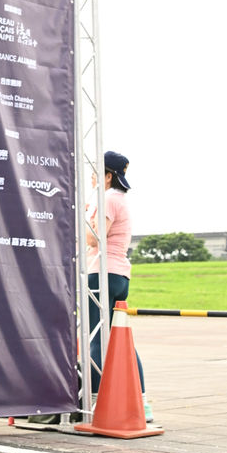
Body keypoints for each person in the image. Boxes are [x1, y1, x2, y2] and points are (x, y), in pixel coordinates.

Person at [85, 150, 151, 418]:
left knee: (96, 338)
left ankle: (94, 403)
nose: (92, 177)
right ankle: (142, 402)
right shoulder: (119, 199)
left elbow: (94, 238)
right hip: (120, 275)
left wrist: (83, 220)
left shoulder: (108, 198)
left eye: (95, 172)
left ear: (108, 176)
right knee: (120, 341)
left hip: (102, 272)